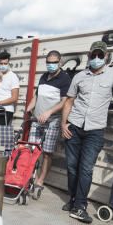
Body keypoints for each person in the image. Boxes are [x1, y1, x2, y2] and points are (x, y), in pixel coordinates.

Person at [61, 40, 113, 223]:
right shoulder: (80, 76)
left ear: (106, 56)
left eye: (100, 55)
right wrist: (63, 124)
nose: (96, 58)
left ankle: (80, 206)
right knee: (72, 167)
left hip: (95, 130)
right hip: (74, 126)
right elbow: (69, 101)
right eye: (93, 55)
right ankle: (73, 199)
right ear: (89, 55)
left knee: (86, 168)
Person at [25, 50, 71, 200]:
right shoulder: (44, 76)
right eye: (48, 62)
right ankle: (28, 177)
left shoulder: (65, 79)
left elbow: (64, 101)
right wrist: (29, 107)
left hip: (53, 121)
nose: (51, 65)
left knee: (47, 153)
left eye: (54, 62)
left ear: (60, 62)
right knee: (31, 149)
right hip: (38, 120)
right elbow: (37, 96)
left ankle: (40, 180)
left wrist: (49, 112)